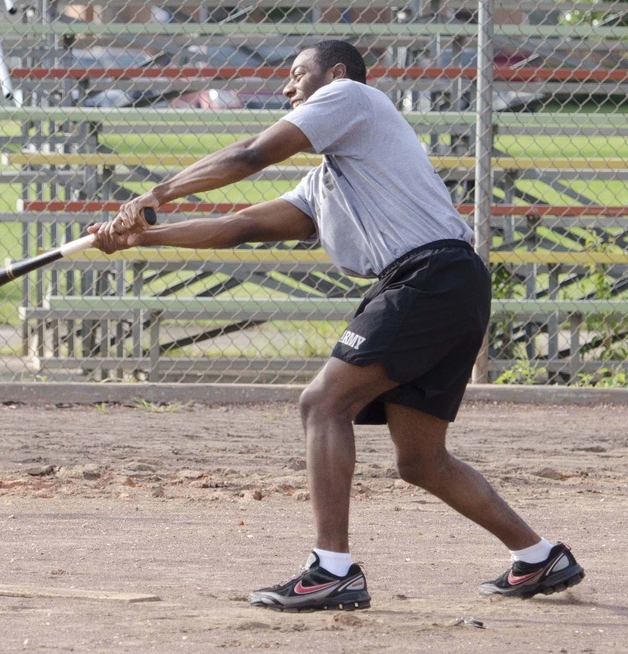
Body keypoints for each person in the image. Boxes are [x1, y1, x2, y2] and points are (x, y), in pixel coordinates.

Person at [88, 40, 585, 612]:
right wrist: (144, 237)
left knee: (323, 403)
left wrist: (159, 193)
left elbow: (251, 154)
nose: (287, 87)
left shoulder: (353, 97)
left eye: (298, 74)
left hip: (429, 278)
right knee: (421, 460)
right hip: (443, 285)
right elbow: (242, 225)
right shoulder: (328, 182)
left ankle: (331, 570)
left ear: (337, 74)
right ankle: (538, 555)